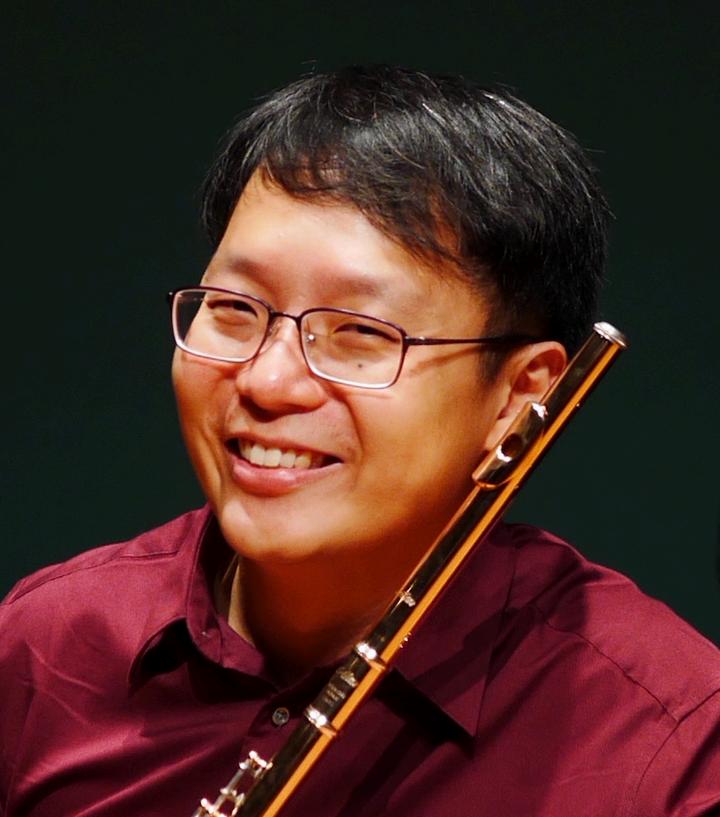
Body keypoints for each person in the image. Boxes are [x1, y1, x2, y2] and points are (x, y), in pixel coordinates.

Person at [1, 65, 719, 817]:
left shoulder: (668, 746)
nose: (269, 382)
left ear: (520, 396)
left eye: (359, 333)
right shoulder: (45, 648)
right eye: (235, 309)